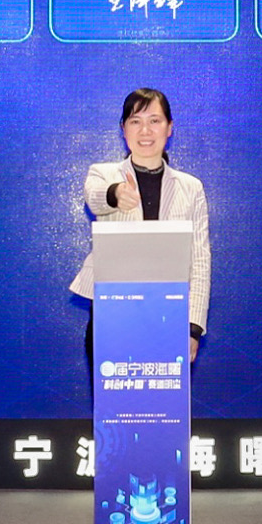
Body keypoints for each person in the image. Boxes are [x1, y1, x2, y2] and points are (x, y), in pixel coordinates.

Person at [68, 88, 213, 363]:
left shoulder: (191, 187)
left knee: (164, 391)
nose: (145, 130)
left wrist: (193, 328)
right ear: (123, 129)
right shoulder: (103, 174)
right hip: (112, 311)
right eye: (135, 121)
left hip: (170, 312)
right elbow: (95, 197)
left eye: (154, 120)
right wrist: (115, 193)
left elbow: (200, 260)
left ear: (170, 127)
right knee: (112, 390)